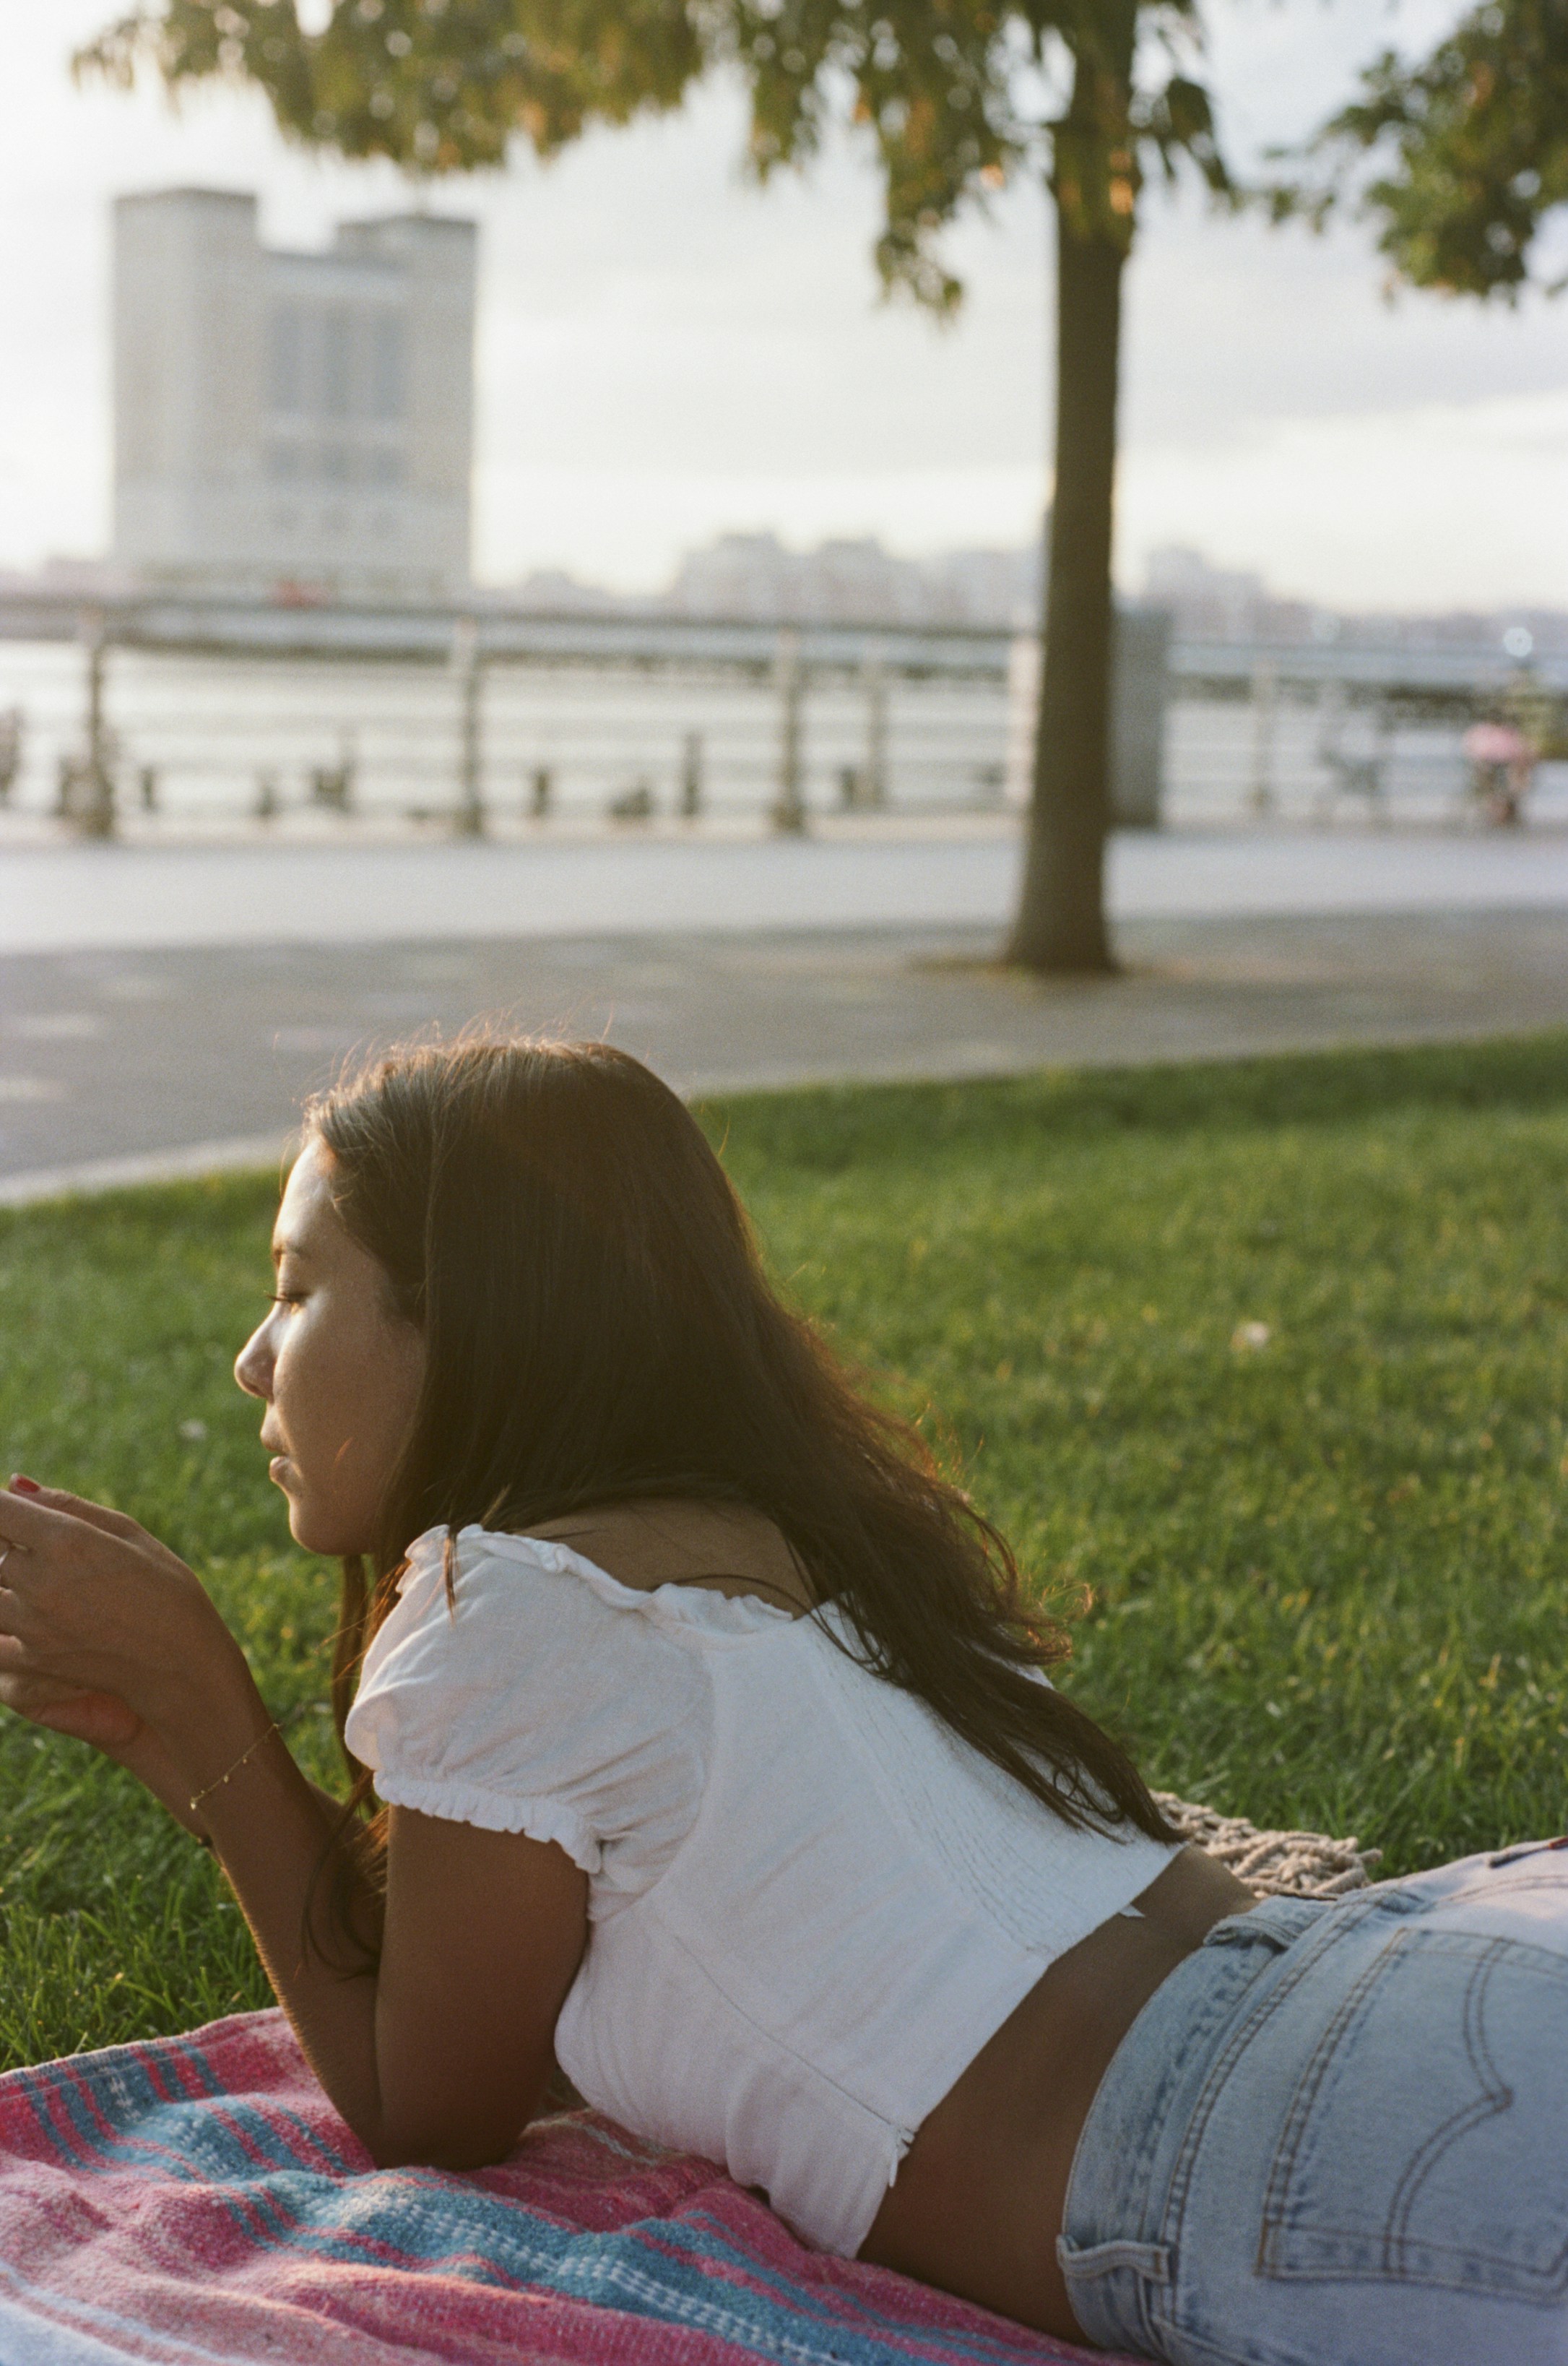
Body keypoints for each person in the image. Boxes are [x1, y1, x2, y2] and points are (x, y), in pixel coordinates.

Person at [1, 1037, 1565, 2366]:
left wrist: (192, 1711)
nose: (250, 1362)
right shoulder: (790, 1527)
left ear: (460, 1322)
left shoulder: (511, 1608)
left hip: (1274, 2150)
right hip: (1416, 1973)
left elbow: (434, 2109)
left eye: (297, 1288)